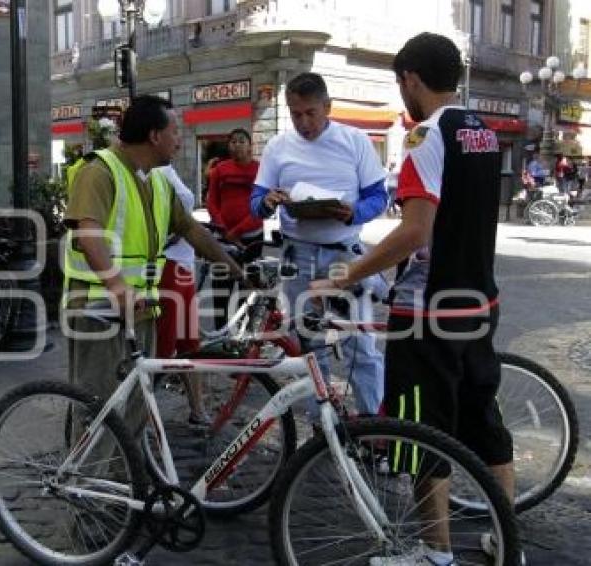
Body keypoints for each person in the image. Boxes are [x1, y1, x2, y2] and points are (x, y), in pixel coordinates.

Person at [311, 33, 517, 565]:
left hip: (428, 310)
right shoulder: (483, 131)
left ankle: (434, 551)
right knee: (483, 422)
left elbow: (414, 232)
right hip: (478, 302)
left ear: (411, 79)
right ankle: (505, 540)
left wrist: (346, 274)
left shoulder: (426, 135)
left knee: (423, 431)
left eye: (400, 82)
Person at [63, 95, 243, 463]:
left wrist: (237, 268)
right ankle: (84, 496)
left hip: (141, 312)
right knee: (98, 406)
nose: (180, 139)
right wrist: (116, 285)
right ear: (154, 135)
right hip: (98, 311)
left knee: (133, 406)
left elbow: (191, 229)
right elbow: (88, 232)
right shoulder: (99, 171)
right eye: (175, 131)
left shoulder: (157, 182)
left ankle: (119, 484)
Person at [250, 72, 388, 418]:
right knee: (307, 343)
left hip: (344, 252)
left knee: (361, 342)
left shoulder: (355, 141)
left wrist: (354, 212)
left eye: (311, 113)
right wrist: (269, 202)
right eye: (295, 114)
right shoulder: (278, 146)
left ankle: (376, 427)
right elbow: (256, 200)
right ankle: (321, 423)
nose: (303, 122)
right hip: (298, 254)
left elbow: (378, 197)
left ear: (327, 107)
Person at [156, 165, 206, 424]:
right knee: (164, 347)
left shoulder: (167, 167)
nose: (177, 136)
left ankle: (198, 408)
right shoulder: (153, 170)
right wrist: (174, 234)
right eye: (172, 130)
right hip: (169, 265)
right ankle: (143, 418)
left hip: (183, 265)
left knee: (190, 342)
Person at [206, 128, 263, 329]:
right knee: (221, 289)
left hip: (251, 239)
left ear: (250, 146)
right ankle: (221, 332)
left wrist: (237, 231)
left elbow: (262, 208)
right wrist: (222, 229)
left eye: (241, 141)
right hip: (222, 240)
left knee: (248, 288)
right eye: (232, 141)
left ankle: (244, 331)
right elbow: (211, 201)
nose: (236, 145)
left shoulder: (261, 170)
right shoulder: (219, 170)